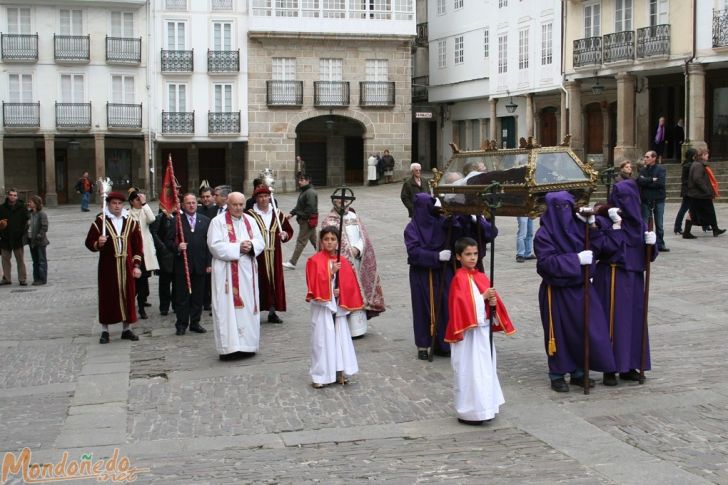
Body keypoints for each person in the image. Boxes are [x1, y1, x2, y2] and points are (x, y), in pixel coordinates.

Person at [534, 191, 616, 392]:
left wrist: (593, 227)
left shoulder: (580, 227)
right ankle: (558, 373)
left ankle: (580, 371)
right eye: (559, 208)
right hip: (557, 290)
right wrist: (575, 260)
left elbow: (599, 248)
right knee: (559, 333)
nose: (564, 213)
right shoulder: (544, 234)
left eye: (566, 207)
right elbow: (545, 264)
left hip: (580, 287)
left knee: (583, 329)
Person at [593, 179, 658, 386]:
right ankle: (610, 368)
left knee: (633, 322)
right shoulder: (605, 220)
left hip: (634, 278)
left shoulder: (640, 223)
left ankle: (631, 365)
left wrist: (652, 244)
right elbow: (605, 249)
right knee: (613, 321)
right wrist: (615, 227)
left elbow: (649, 256)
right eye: (623, 199)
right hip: (612, 276)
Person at [445, 237, 515, 425]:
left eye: (475, 254)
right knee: (470, 371)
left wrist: (492, 304)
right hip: (468, 335)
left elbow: (488, 303)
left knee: (485, 370)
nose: (472, 258)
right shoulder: (458, 279)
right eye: (468, 254)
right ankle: (470, 411)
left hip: (482, 332)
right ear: (459, 257)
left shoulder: (480, 275)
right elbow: (459, 305)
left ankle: (487, 407)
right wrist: (481, 297)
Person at [208, 192, 265, 359]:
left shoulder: (251, 221)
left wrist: (251, 245)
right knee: (227, 310)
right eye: (235, 205)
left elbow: (260, 241)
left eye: (241, 205)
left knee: (248, 308)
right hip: (226, 274)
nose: (239, 208)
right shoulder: (217, 222)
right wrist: (238, 248)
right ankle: (229, 348)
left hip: (247, 273)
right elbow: (214, 246)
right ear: (228, 204)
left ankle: (248, 346)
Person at [305, 226, 362, 388]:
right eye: (326, 239)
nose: (329, 243)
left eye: (333, 239)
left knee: (339, 341)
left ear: (338, 242)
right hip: (322, 309)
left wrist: (341, 291)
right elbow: (313, 285)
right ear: (321, 241)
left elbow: (350, 285)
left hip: (337, 309)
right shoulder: (314, 261)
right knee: (322, 342)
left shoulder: (343, 261)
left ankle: (339, 371)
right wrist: (331, 275)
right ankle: (320, 375)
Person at [84, 191, 143, 344]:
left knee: (128, 296)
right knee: (107, 297)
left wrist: (136, 265)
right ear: (108, 205)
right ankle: (105, 330)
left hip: (126, 265)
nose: (117, 206)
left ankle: (127, 329)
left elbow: (137, 245)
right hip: (108, 267)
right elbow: (89, 242)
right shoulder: (100, 221)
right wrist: (98, 243)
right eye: (113, 203)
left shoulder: (130, 221)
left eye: (119, 203)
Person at [320, 199, 385, 337]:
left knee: (358, 292)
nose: (341, 202)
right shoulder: (329, 221)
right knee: (343, 291)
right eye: (338, 199)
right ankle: (341, 326)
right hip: (340, 263)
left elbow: (364, 237)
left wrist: (357, 249)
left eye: (344, 200)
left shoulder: (354, 217)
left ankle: (358, 328)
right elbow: (326, 243)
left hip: (357, 261)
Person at [405, 193, 451, 360]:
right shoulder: (411, 228)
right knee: (422, 307)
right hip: (422, 274)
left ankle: (442, 342)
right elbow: (413, 251)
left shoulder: (440, 221)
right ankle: (423, 345)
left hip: (441, 273)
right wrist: (436, 256)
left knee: (443, 305)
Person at [247, 185, 293, 324]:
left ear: (269, 197)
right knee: (257, 282)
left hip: (274, 253)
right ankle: (254, 311)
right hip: (257, 255)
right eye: (260, 197)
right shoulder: (249, 215)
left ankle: (272, 311)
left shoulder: (277, 214)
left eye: (266, 196)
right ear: (256, 199)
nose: (263, 199)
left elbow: (287, 230)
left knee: (274, 281)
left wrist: (285, 235)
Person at [166, 193, 212, 336]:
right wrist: (177, 247)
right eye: (188, 203)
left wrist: (209, 263)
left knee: (198, 296)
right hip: (182, 266)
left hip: (200, 264)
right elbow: (168, 241)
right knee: (182, 297)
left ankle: (195, 322)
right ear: (183, 205)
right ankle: (181, 324)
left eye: (193, 202)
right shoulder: (177, 221)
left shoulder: (205, 221)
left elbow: (210, 244)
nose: (191, 205)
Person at [128, 190, 159, 319]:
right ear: (131, 202)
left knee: (143, 280)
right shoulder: (128, 214)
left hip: (145, 251)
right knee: (135, 281)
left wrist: (145, 204)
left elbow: (152, 219)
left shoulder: (144, 211)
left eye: (140, 200)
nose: (139, 202)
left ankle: (141, 307)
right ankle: (130, 304)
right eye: (136, 200)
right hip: (134, 252)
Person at [685, 147, 726, 238]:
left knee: (702, 212)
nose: (708, 156)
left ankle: (715, 229)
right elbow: (697, 179)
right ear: (702, 155)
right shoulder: (698, 165)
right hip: (700, 195)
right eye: (707, 154)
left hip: (698, 194)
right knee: (695, 212)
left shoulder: (697, 164)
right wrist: (706, 190)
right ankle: (687, 233)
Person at [283, 173, 318, 269]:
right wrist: (292, 214)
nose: (300, 182)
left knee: (301, 241)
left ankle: (292, 262)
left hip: (307, 221)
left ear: (308, 181)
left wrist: (299, 215)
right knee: (315, 241)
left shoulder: (310, 192)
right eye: (299, 180)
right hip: (306, 220)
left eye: (302, 180)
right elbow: (299, 206)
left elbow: (310, 209)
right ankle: (325, 256)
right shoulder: (305, 191)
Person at [636, 151, 669, 252]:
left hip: (658, 199)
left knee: (659, 223)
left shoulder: (661, 169)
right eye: (645, 157)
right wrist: (652, 180)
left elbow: (660, 183)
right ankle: (646, 243)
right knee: (645, 222)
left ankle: (660, 243)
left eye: (647, 157)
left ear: (654, 158)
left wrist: (647, 181)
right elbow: (640, 182)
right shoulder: (642, 170)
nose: (645, 159)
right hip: (646, 199)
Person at [0, 189, 29, 286]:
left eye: (15, 195)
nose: (13, 197)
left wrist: (22, 233)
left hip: (18, 238)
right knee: (5, 260)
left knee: (20, 259)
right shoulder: (2, 208)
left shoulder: (22, 207)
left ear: (17, 197)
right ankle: (6, 278)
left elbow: (26, 222)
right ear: (8, 196)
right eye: (11, 195)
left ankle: (22, 278)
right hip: (5, 237)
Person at [197, 185, 216, 311]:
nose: (205, 199)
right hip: (201, 247)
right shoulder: (198, 211)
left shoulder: (218, 210)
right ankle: (203, 300)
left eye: (208, 196)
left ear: (213, 197)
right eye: (203, 197)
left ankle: (211, 300)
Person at [153, 210, 175, 316]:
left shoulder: (180, 216)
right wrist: (162, 247)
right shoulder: (159, 218)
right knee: (164, 283)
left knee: (177, 283)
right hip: (164, 254)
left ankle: (176, 305)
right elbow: (154, 233)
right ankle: (164, 307)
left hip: (176, 253)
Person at [673, 148, 697, 235]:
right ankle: (677, 227)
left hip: (689, 190)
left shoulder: (688, 164)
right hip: (688, 191)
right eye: (695, 155)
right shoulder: (689, 165)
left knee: (694, 208)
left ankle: (706, 225)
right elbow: (685, 180)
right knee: (684, 209)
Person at [27, 195, 49, 286]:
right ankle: (36, 278)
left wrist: (39, 235)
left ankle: (42, 278)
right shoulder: (29, 214)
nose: (29, 203)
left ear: (36, 203)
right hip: (31, 240)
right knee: (35, 261)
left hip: (39, 241)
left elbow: (44, 227)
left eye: (31, 202)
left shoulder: (41, 214)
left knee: (41, 260)